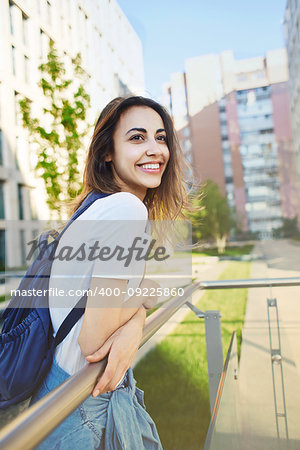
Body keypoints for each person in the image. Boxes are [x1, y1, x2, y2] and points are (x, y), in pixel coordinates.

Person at [30, 96, 188, 449]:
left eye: (160, 138)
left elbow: (100, 308)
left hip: (62, 392)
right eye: (137, 138)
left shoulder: (97, 208)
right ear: (107, 153)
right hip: (83, 408)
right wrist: (146, 295)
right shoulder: (127, 210)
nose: (155, 149)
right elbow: (94, 340)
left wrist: (135, 319)